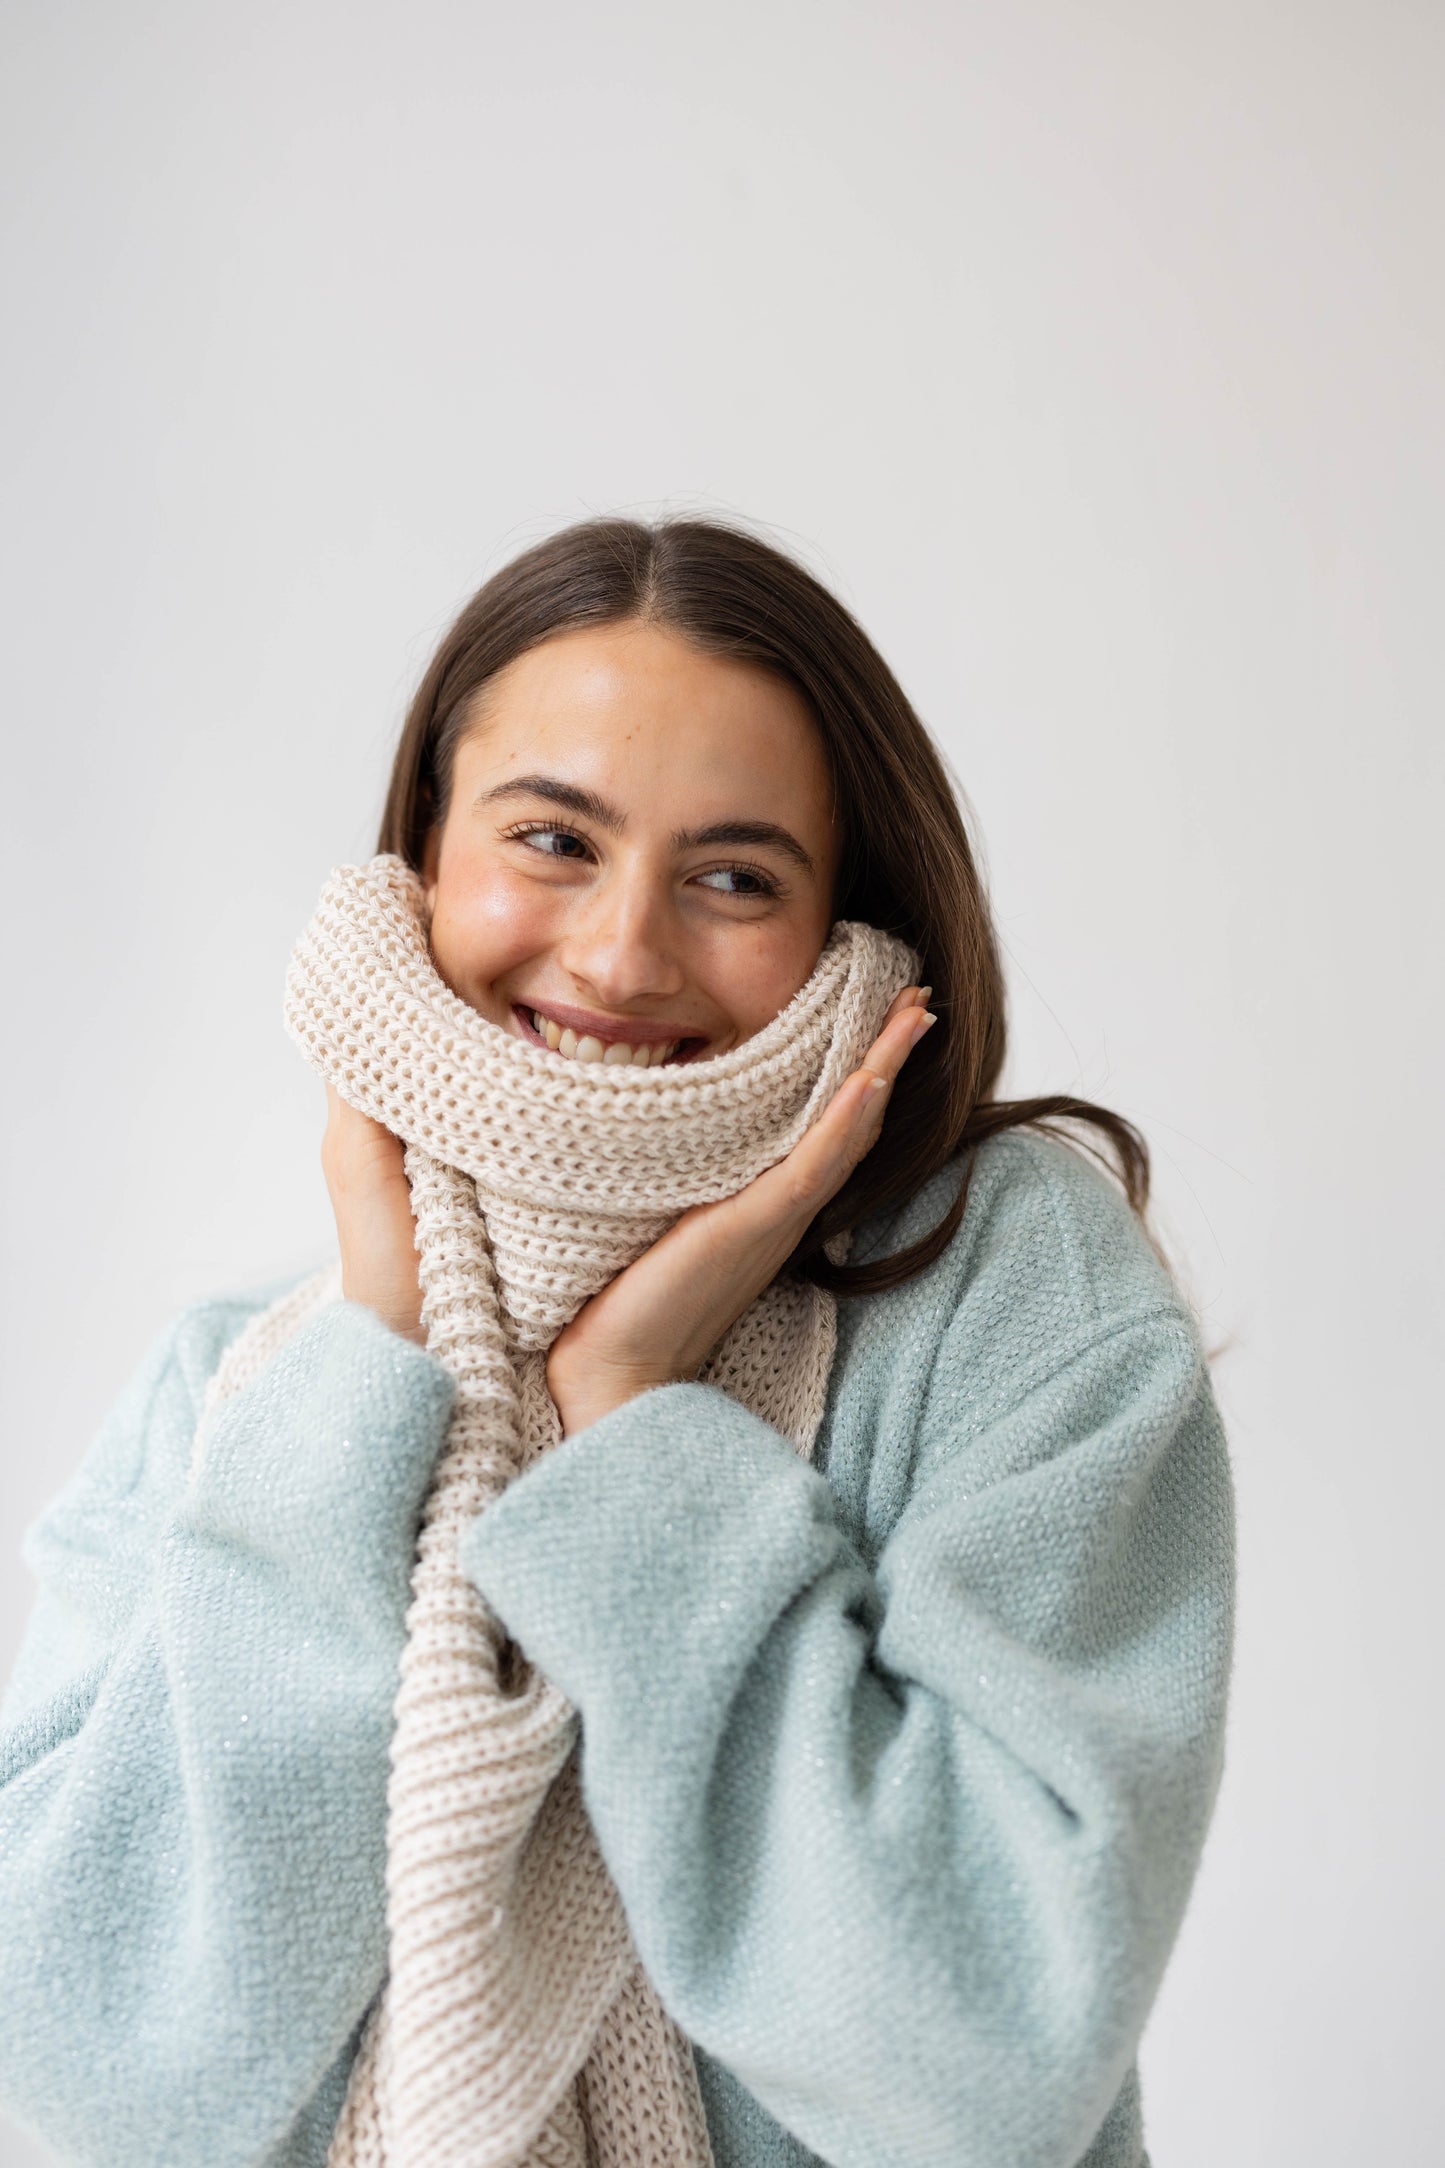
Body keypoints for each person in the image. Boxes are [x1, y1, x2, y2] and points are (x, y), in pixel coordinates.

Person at [0, 516, 1236, 2168]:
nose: (620, 953)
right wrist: (378, 1367)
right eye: (552, 841)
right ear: (421, 864)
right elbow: (87, 2066)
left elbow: (981, 2064)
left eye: (734, 876)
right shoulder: (243, 1382)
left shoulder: (1001, 1284)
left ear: (848, 934)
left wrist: (637, 1430)